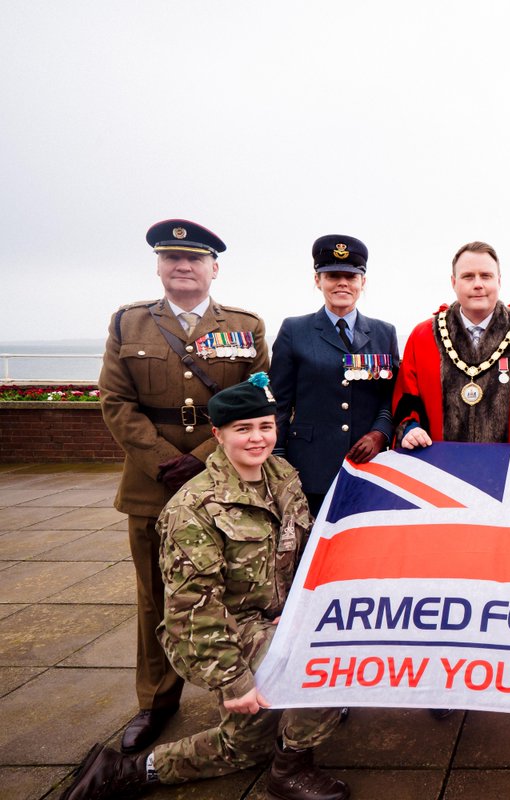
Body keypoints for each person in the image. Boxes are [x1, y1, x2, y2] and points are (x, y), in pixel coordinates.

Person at [62, 374, 347, 800]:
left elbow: (300, 554)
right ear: (218, 434)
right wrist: (234, 681)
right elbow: (192, 609)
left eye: (266, 426)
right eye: (243, 429)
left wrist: (301, 608)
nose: (257, 439)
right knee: (315, 679)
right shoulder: (194, 508)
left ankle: (137, 770)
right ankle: (284, 769)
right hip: (220, 630)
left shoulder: (283, 475)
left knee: (255, 737)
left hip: (276, 616)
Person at [99, 219, 268, 753]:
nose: (183, 267)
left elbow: (256, 402)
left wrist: (200, 458)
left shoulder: (246, 326)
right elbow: (116, 402)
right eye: (172, 258)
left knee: (232, 594)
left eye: (195, 259)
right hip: (152, 485)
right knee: (155, 596)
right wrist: (164, 462)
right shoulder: (129, 324)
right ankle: (156, 702)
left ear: (213, 268)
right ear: (158, 266)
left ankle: (235, 689)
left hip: (222, 482)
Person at [270, 234, 399, 513]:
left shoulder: (383, 333)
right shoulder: (295, 330)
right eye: (332, 275)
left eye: (351, 277)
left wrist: (380, 433)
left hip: (368, 465)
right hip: (307, 468)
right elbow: (278, 404)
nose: (342, 283)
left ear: (363, 283)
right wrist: (278, 461)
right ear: (317, 280)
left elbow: (391, 396)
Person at [394, 240, 510, 451]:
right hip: (438, 470)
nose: (478, 284)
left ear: (499, 281)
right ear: (453, 282)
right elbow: (405, 401)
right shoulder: (423, 336)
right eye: (468, 276)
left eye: (486, 276)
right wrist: (410, 429)